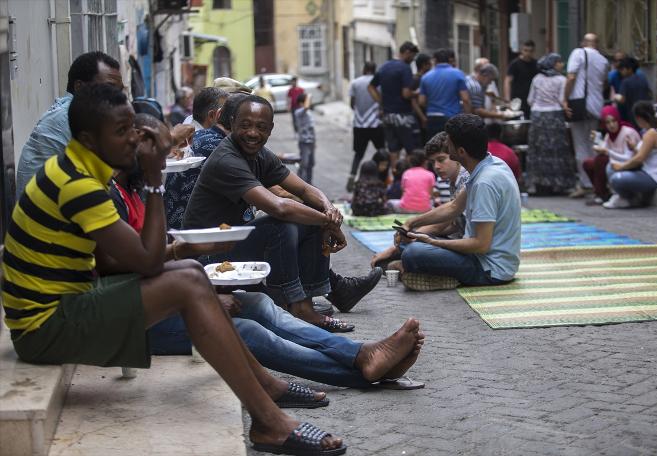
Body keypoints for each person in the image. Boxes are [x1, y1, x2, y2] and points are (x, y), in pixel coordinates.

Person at [1, 83, 348, 455]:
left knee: (192, 275)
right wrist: (154, 182)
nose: (132, 141)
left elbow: (128, 258)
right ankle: (269, 421)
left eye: (131, 129)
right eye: (121, 133)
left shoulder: (77, 170)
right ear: (88, 138)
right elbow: (146, 261)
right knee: (188, 282)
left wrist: (183, 247)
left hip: (62, 307)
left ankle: (266, 388)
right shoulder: (78, 183)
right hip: (46, 326)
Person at [109, 122, 425, 390]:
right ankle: (363, 371)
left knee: (259, 304)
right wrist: (195, 294)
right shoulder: (115, 198)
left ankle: (362, 355)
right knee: (247, 331)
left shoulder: (138, 192)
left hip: (165, 295)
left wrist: (195, 287)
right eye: (161, 153)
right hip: (139, 321)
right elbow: (125, 274)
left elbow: (151, 262)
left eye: (168, 151)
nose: (168, 161)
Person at [183, 95, 382, 326]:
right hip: (205, 255)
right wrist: (325, 222)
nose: (252, 133)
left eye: (261, 127)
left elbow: (306, 189)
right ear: (233, 122)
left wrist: (328, 210)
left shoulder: (259, 154)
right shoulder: (226, 159)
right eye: (245, 125)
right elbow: (280, 208)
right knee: (281, 225)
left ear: (271, 129)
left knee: (307, 216)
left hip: (228, 244)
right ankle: (293, 304)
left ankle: (305, 303)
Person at [396, 114, 521, 291]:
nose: (446, 144)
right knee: (409, 244)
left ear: (460, 151)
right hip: (484, 259)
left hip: (489, 269)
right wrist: (411, 223)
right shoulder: (490, 164)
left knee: (412, 253)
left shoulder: (484, 183)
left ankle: (443, 276)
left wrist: (433, 243)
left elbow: (481, 244)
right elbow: (454, 207)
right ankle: (427, 271)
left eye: (449, 142)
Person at [15, 51, 123, 198]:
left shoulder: (79, 113)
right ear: (79, 87)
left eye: (119, 91)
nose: (117, 97)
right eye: (108, 88)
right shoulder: (68, 117)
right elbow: (113, 172)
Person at [371, 132, 468, 271]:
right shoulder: (453, 181)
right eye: (433, 162)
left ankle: (410, 264)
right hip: (462, 240)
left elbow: (446, 218)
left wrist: (411, 228)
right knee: (412, 243)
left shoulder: (466, 179)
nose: (436, 166)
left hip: (475, 253)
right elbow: (451, 225)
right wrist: (414, 234)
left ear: (456, 156)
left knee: (413, 251)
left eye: (441, 160)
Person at [165, 87, 229, 229]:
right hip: (187, 228)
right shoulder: (209, 140)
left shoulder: (191, 124)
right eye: (229, 114)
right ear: (214, 115)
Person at [564, 33, 610, 198]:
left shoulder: (578, 53)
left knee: (580, 145)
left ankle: (586, 183)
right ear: (597, 44)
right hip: (597, 106)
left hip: (579, 104)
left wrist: (564, 99)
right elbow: (603, 83)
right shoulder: (604, 61)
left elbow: (570, 77)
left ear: (584, 43)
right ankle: (598, 182)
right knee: (594, 144)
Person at [603, 101, 657, 209]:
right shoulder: (648, 132)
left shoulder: (652, 133)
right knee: (610, 168)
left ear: (639, 118)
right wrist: (634, 148)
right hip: (646, 171)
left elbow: (639, 159)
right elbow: (645, 154)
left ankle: (628, 198)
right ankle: (621, 196)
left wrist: (622, 167)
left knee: (616, 179)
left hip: (654, 176)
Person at [526, 53, 576, 195]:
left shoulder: (537, 79)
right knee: (556, 150)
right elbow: (562, 99)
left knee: (538, 150)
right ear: (553, 64)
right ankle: (559, 183)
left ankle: (538, 183)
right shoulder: (561, 79)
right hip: (554, 115)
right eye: (559, 62)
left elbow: (530, 100)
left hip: (537, 116)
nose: (562, 65)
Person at [368, 41, 420, 167]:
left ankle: (396, 175)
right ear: (407, 52)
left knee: (393, 149)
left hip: (387, 115)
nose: (413, 60)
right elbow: (406, 94)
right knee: (410, 149)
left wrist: (381, 102)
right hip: (403, 115)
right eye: (412, 56)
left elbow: (370, 87)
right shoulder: (405, 68)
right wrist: (417, 93)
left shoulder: (385, 66)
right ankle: (409, 176)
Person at [583, 105, 640, 204]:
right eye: (608, 122)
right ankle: (603, 193)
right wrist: (596, 140)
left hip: (629, 164)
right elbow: (605, 148)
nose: (611, 125)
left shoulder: (628, 133)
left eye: (614, 121)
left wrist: (607, 152)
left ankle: (600, 194)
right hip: (614, 163)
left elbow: (629, 157)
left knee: (601, 160)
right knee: (588, 163)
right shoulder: (609, 135)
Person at [347, 61, 385, 192]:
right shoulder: (378, 83)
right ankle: (383, 177)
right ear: (374, 70)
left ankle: (352, 176)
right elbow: (382, 101)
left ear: (364, 69)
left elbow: (351, 103)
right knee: (381, 151)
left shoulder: (355, 82)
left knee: (358, 153)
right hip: (376, 123)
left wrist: (359, 112)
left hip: (359, 124)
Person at [419, 48, 471, 140]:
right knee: (450, 148)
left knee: (434, 148)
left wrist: (432, 105)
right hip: (451, 117)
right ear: (449, 59)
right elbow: (465, 99)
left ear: (435, 60)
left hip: (432, 117)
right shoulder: (458, 74)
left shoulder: (426, 77)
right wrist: (468, 119)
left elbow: (421, 101)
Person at [613, 57, 651, 126]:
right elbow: (650, 94)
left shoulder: (626, 82)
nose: (621, 72)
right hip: (645, 113)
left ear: (629, 69)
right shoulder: (643, 79)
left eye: (622, 69)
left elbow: (622, 99)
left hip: (632, 114)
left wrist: (615, 97)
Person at [504, 40, 538, 119]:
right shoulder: (515, 64)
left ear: (534, 51)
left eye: (530, 51)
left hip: (532, 100)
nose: (528, 53)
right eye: (525, 50)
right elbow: (507, 81)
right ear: (521, 50)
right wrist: (507, 99)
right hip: (517, 100)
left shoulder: (536, 64)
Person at [294, 93, 316, 184]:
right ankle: (300, 184)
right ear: (302, 102)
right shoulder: (299, 112)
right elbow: (306, 107)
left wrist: (315, 142)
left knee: (311, 164)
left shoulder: (308, 112)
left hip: (311, 142)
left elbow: (312, 128)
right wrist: (309, 95)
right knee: (304, 164)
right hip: (304, 142)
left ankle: (309, 184)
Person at [411, 53, 433, 144]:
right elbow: (413, 101)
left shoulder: (425, 78)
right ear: (424, 65)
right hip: (419, 117)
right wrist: (422, 117)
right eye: (429, 64)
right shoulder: (417, 79)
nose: (431, 66)